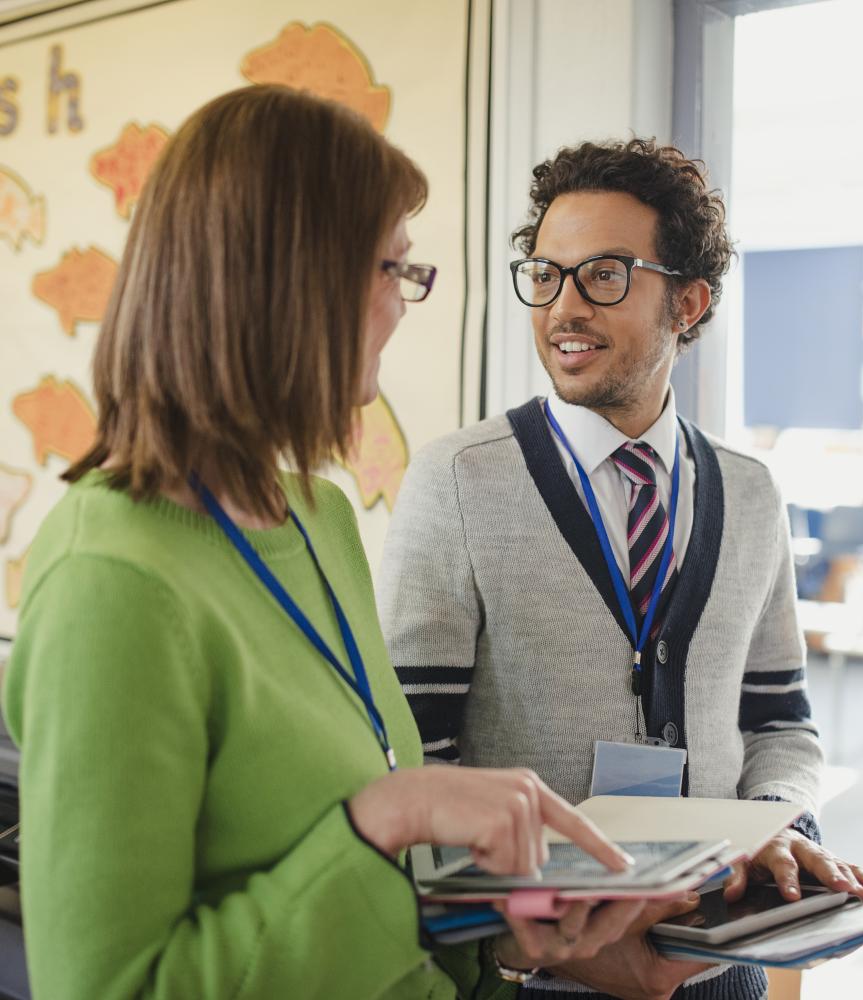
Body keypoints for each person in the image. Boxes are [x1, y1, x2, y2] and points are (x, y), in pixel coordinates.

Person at [1, 89, 677, 1000]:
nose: (403, 307)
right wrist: (382, 819)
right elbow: (110, 987)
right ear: (289, 279)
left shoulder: (318, 519)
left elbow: (378, 910)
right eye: (391, 269)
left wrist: (523, 943)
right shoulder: (112, 577)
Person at [378, 138, 863, 1000]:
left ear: (687, 301)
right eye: (545, 275)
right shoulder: (458, 480)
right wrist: (545, 934)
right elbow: (417, 754)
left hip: (723, 962)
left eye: (603, 275)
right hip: (543, 974)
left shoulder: (751, 493)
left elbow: (780, 724)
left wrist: (774, 828)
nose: (562, 307)